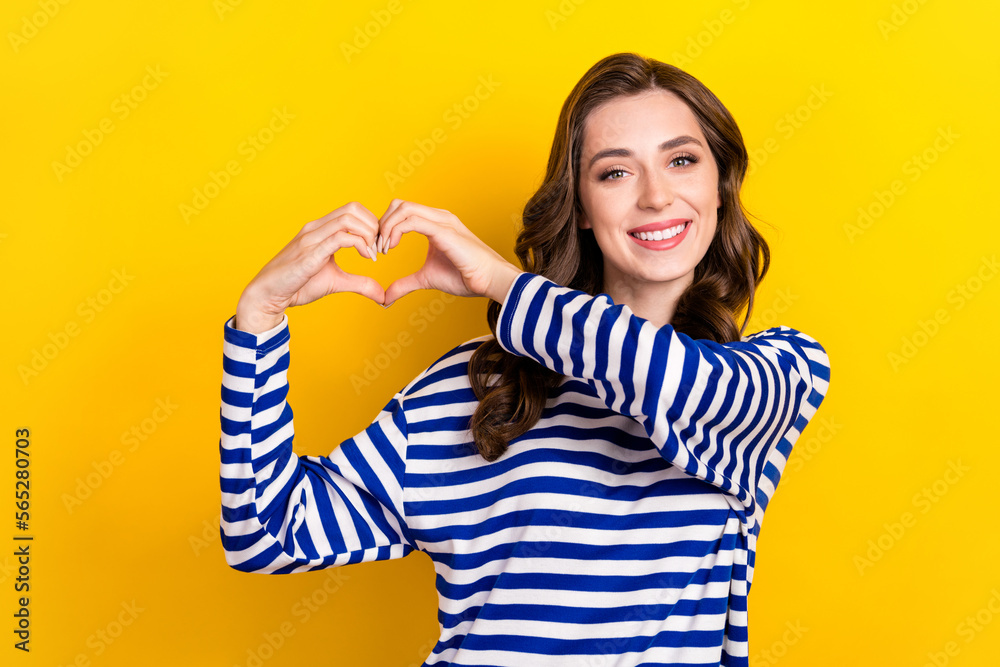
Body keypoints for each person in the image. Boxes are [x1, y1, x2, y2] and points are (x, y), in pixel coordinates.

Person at [218, 51, 831, 666]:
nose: (656, 196)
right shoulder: (479, 390)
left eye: (681, 160)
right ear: (583, 209)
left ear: (719, 188)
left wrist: (501, 283)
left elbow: (667, 376)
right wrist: (258, 321)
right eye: (615, 173)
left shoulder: (775, 373)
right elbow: (265, 532)